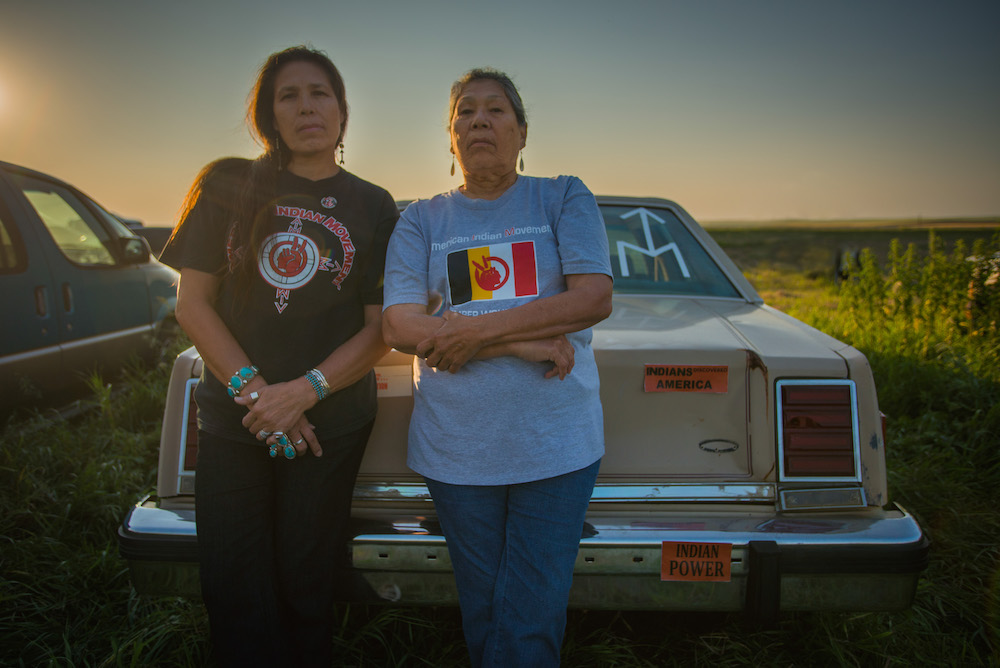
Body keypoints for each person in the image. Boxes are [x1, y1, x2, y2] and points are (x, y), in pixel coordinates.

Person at [158, 46, 398, 667]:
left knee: (306, 580)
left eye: (320, 93)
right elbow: (193, 304)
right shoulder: (229, 184)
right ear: (269, 113)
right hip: (238, 419)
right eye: (287, 96)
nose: (306, 106)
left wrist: (303, 393)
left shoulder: (374, 204)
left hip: (329, 425)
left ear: (343, 112)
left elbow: (381, 329)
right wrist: (262, 394)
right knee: (233, 585)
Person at [381, 68, 613, 667]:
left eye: (496, 111)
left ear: (523, 131)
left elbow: (592, 298)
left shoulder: (562, 196)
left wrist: (479, 331)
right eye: (465, 112)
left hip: (556, 443)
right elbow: (401, 326)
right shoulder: (421, 219)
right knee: (486, 608)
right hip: (456, 449)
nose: (479, 120)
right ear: (450, 136)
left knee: (531, 614)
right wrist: (517, 344)